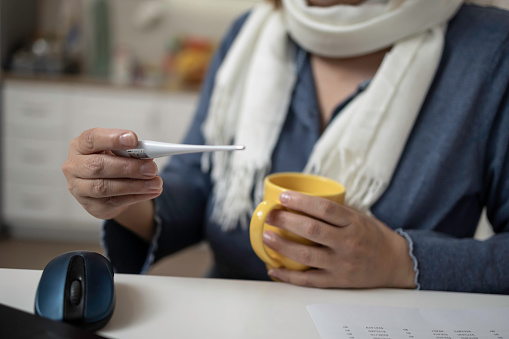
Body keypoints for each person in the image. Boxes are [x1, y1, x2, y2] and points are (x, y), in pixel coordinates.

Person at [62, 0, 509, 294]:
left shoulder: (492, 52)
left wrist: (398, 261)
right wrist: (124, 193)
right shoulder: (248, 35)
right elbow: (200, 187)